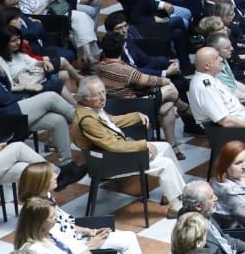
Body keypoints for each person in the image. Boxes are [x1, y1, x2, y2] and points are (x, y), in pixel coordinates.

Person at [15, 161, 160, 254]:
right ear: (41, 181)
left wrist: (88, 231)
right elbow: (60, 245)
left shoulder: (47, 197)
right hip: (74, 249)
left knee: (127, 243)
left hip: (76, 240)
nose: (55, 176)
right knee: (128, 241)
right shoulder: (38, 210)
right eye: (50, 175)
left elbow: (66, 223)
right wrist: (90, 245)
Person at [0, 37, 76, 170]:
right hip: (3, 119)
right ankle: (86, 121)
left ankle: (67, 165)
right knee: (51, 97)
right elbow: (2, 98)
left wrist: (1, 72)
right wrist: (26, 96)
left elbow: (7, 87)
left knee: (57, 120)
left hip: (10, 110)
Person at [69, 76, 186, 206]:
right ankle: (175, 207)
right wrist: (143, 145)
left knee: (166, 147)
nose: (103, 97)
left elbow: (110, 122)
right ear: (85, 98)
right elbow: (112, 145)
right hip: (110, 162)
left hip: (112, 154)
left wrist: (136, 116)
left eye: (103, 92)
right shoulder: (87, 120)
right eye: (97, 95)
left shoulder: (89, 109)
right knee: (166, 164)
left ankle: (172, 193)